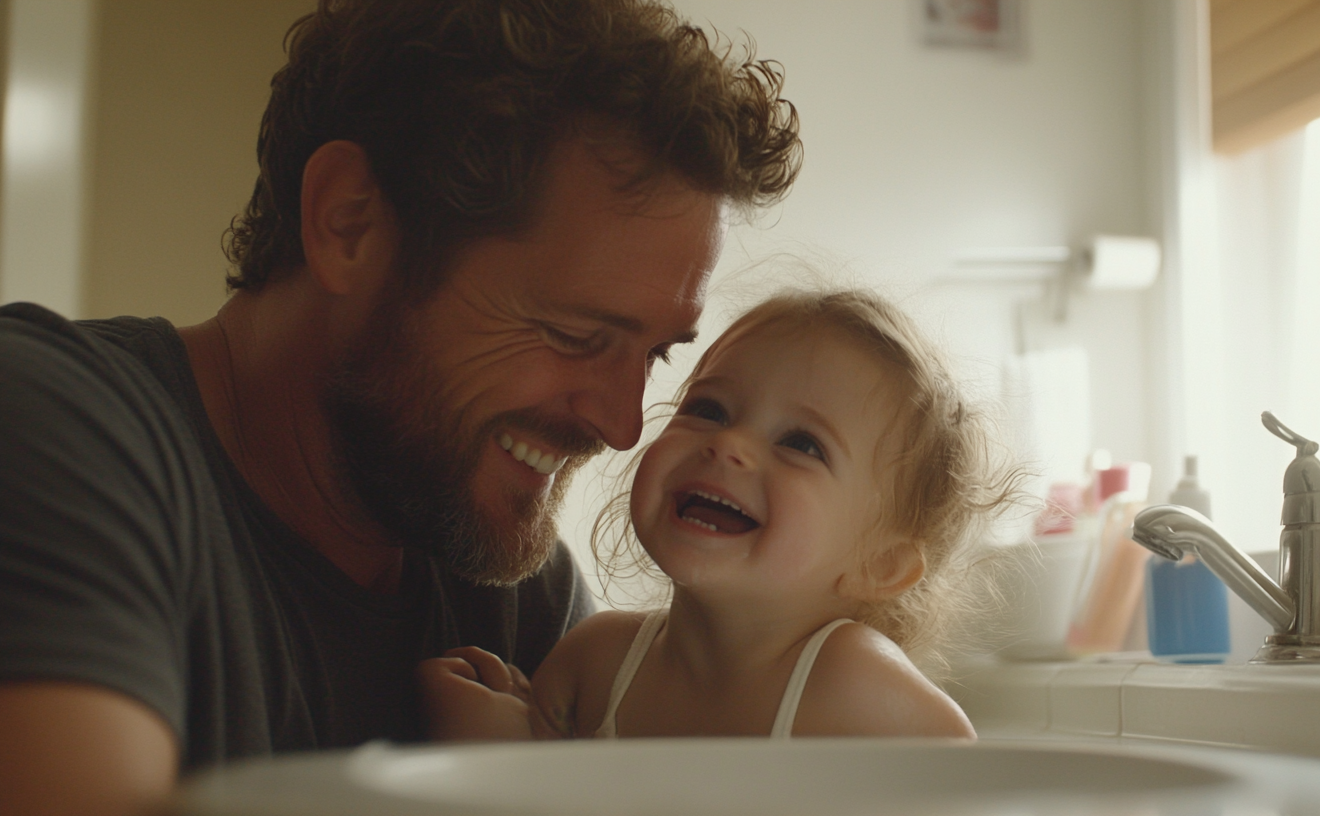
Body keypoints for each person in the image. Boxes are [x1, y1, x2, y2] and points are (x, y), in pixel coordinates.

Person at [0, 1, 801, 814]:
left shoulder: (517, 600)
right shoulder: (51, 429)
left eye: (657, 354)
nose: (622, 424)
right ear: (349, 223)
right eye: (574, 334)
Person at [417, 289, 1026, 740]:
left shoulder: (856, 691)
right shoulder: (595, 662)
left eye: (801, 444)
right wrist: (495, 740)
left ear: (882, 564)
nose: (728, 443)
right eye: (708, 408)